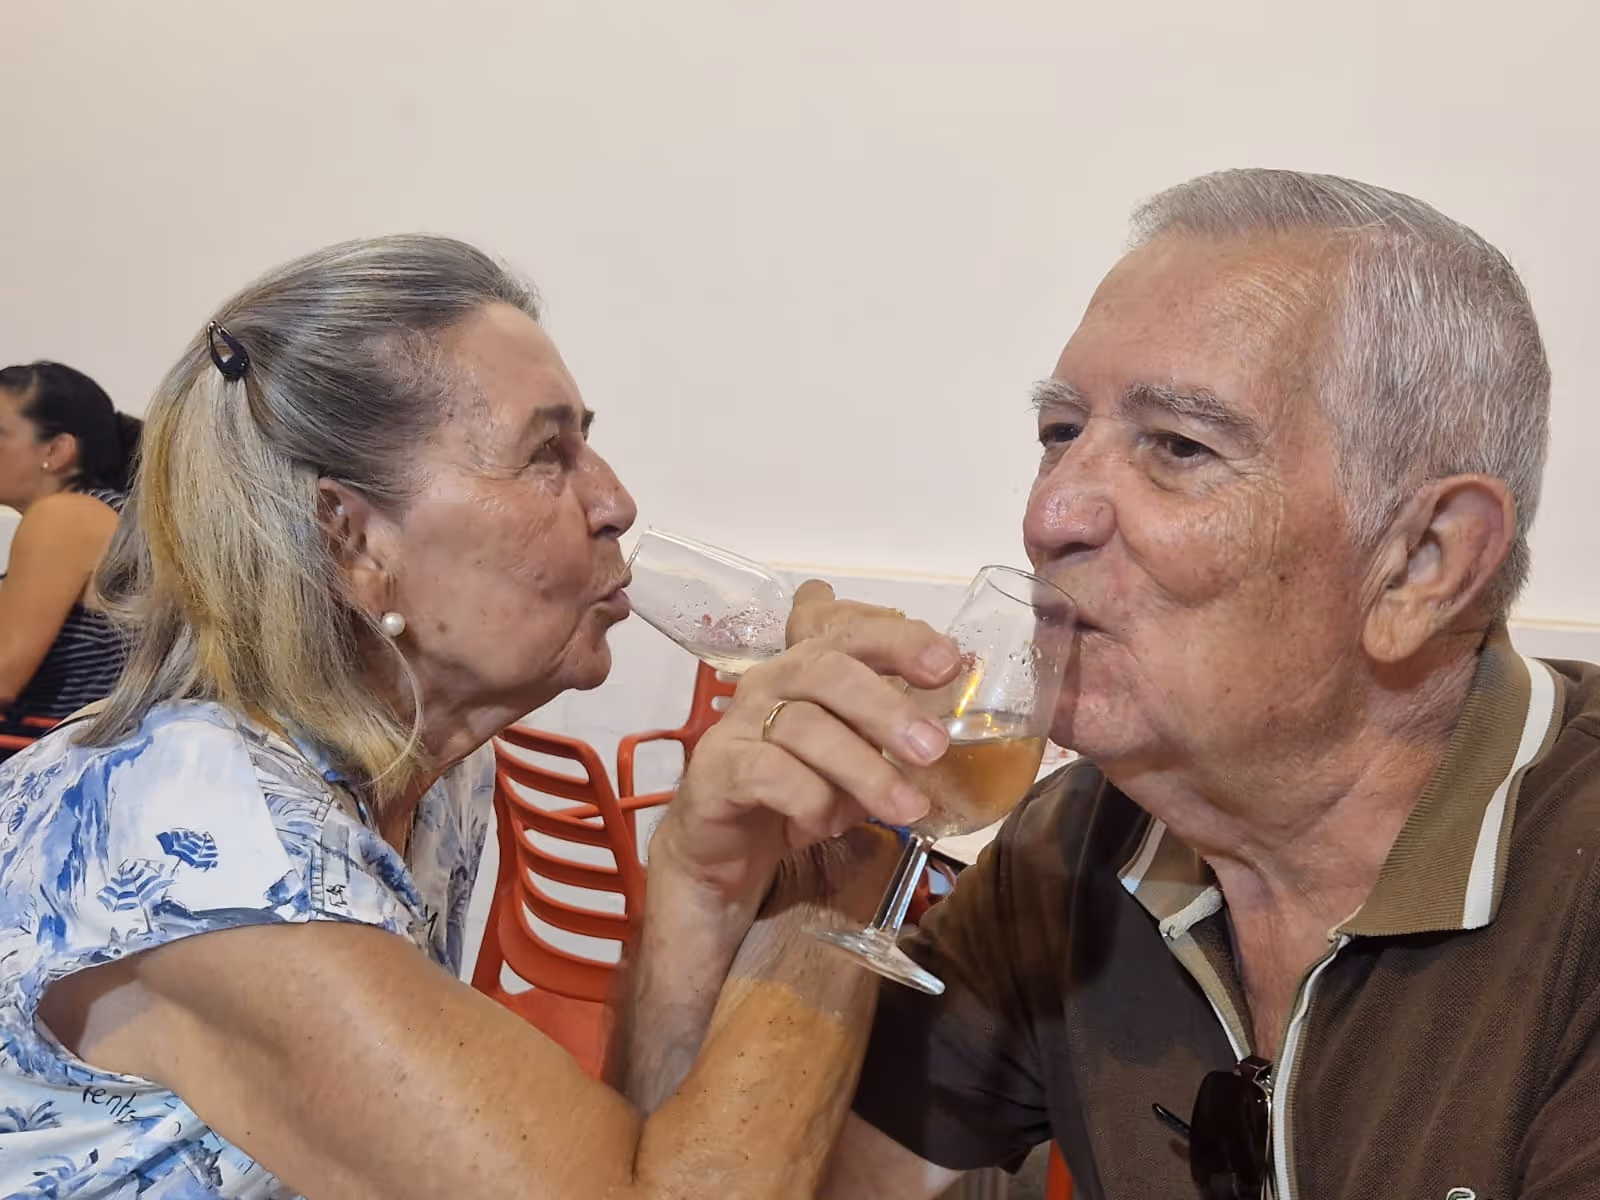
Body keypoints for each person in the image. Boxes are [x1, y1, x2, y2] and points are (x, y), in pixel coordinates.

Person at [644, 170, 1600, 1200]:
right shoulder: (1073, 850)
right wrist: (725, 900)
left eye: (1179, 446)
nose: (1050, 512)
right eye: (1060, 434)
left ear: (1423, 563)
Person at [0, 235, 965, 1198]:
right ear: (352, 539)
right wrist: (847, 860)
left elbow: (632, 1156)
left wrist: (695, 875)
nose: (617, 500)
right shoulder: (210, 842)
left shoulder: (431, 765)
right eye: (548, 453)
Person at [0, 362, 140, 753]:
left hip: (61, 771)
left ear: (56, 450)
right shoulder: (103, 513)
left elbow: (3, 677)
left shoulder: (63, 516)